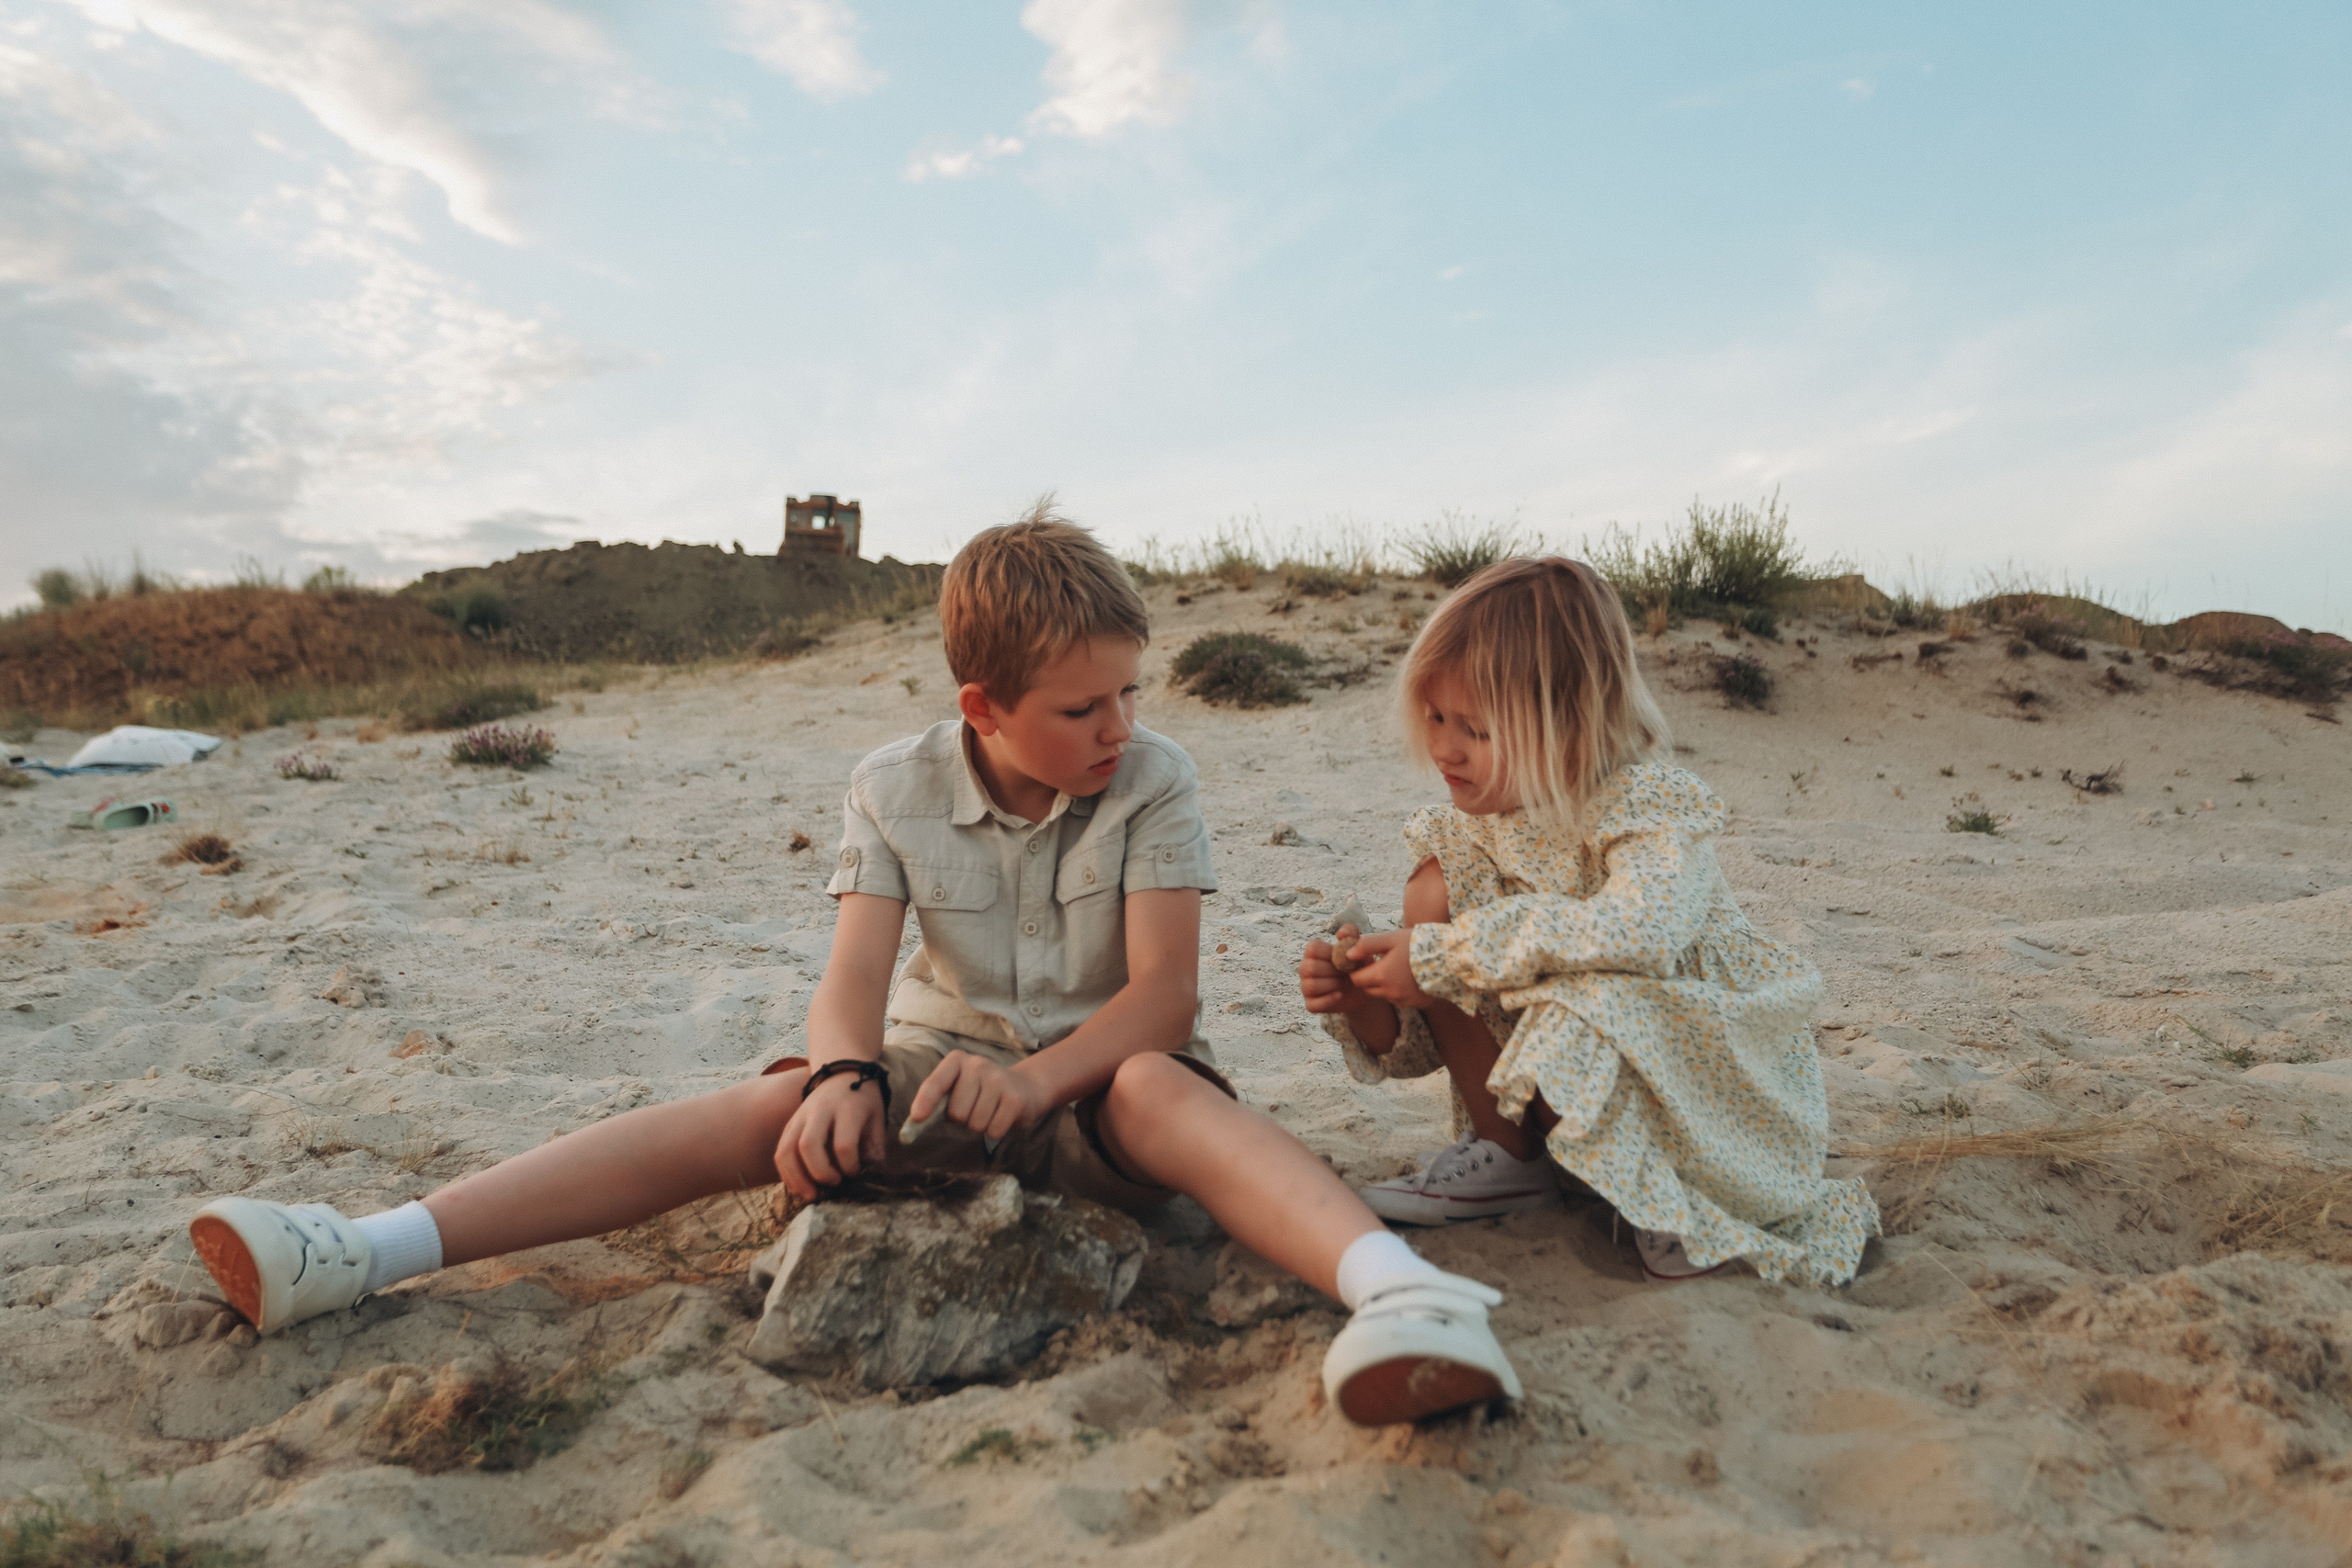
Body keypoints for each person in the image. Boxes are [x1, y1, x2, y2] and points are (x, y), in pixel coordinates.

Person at [187, 506, 1521, 1426]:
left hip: (1110, 1078)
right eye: (1081, 707)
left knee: (1172, 1092)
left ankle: (1406, 1298)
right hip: (940, 1068)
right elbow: (852, 977)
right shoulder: (891, 785)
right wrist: (837, 1070)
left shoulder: (1153, 777)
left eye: (1129, 692)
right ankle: (363, 1247)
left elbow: (1164, 997)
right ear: (983, 708)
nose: (1119, 724)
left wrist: (1041, 1077)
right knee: (780, 1106)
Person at [1296, 556, 1878, 1284]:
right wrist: (1373, 1005)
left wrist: (1447, 954)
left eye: (1473, 728)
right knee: (1432, 900)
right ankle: (1507, 1157)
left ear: (1568, 723)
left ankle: (1677, 1207)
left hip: (1703, 1107)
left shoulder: (1646, 807)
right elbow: (1442, 1036)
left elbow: (1642, 934)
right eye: (1436, 718)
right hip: (1568, 1114)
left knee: (1568, 992)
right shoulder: (1467, 840)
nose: (1443, 747)